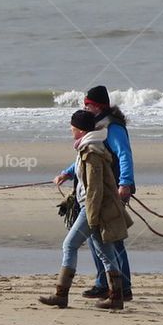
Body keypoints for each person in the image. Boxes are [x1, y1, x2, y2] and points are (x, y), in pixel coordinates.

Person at [39, 110, 132, 310]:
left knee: (69, 245)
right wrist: (65, 174)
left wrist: (92, 218)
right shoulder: (87, 149)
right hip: (91, 208)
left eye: (72, 128)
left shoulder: (91, 154)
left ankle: (61, 294)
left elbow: (95, 190)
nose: (70, 131)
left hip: (91, 210)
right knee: (105, 253)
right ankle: (116, 297)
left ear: (80, 130)